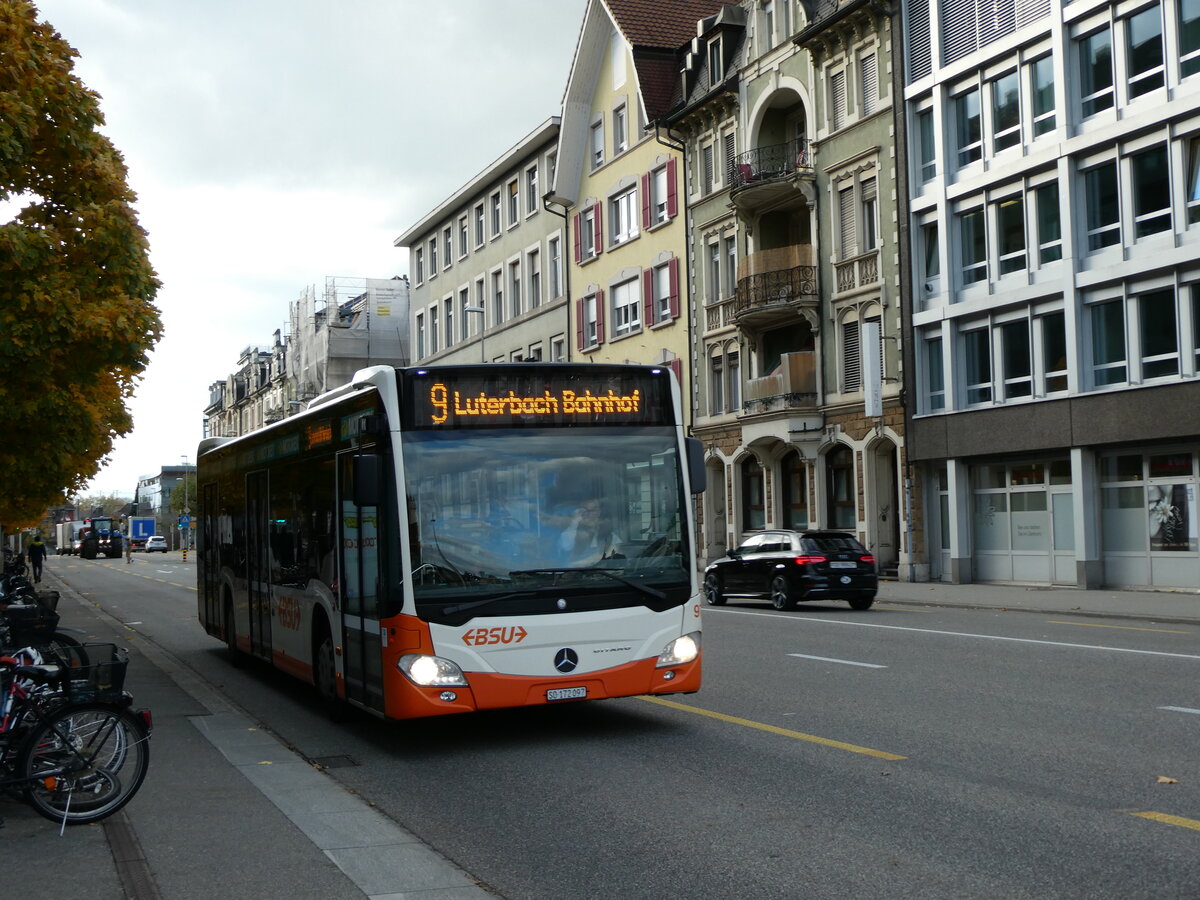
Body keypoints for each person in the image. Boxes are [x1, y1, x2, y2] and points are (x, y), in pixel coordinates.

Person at [558, 500, 623, 565]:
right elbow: (566, 554)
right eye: (585, 511)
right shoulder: (570, 534)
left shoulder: (610, 537)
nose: (590, 514)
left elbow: (615, 560)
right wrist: (574, 523)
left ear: (599, 512)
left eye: (594, 510)